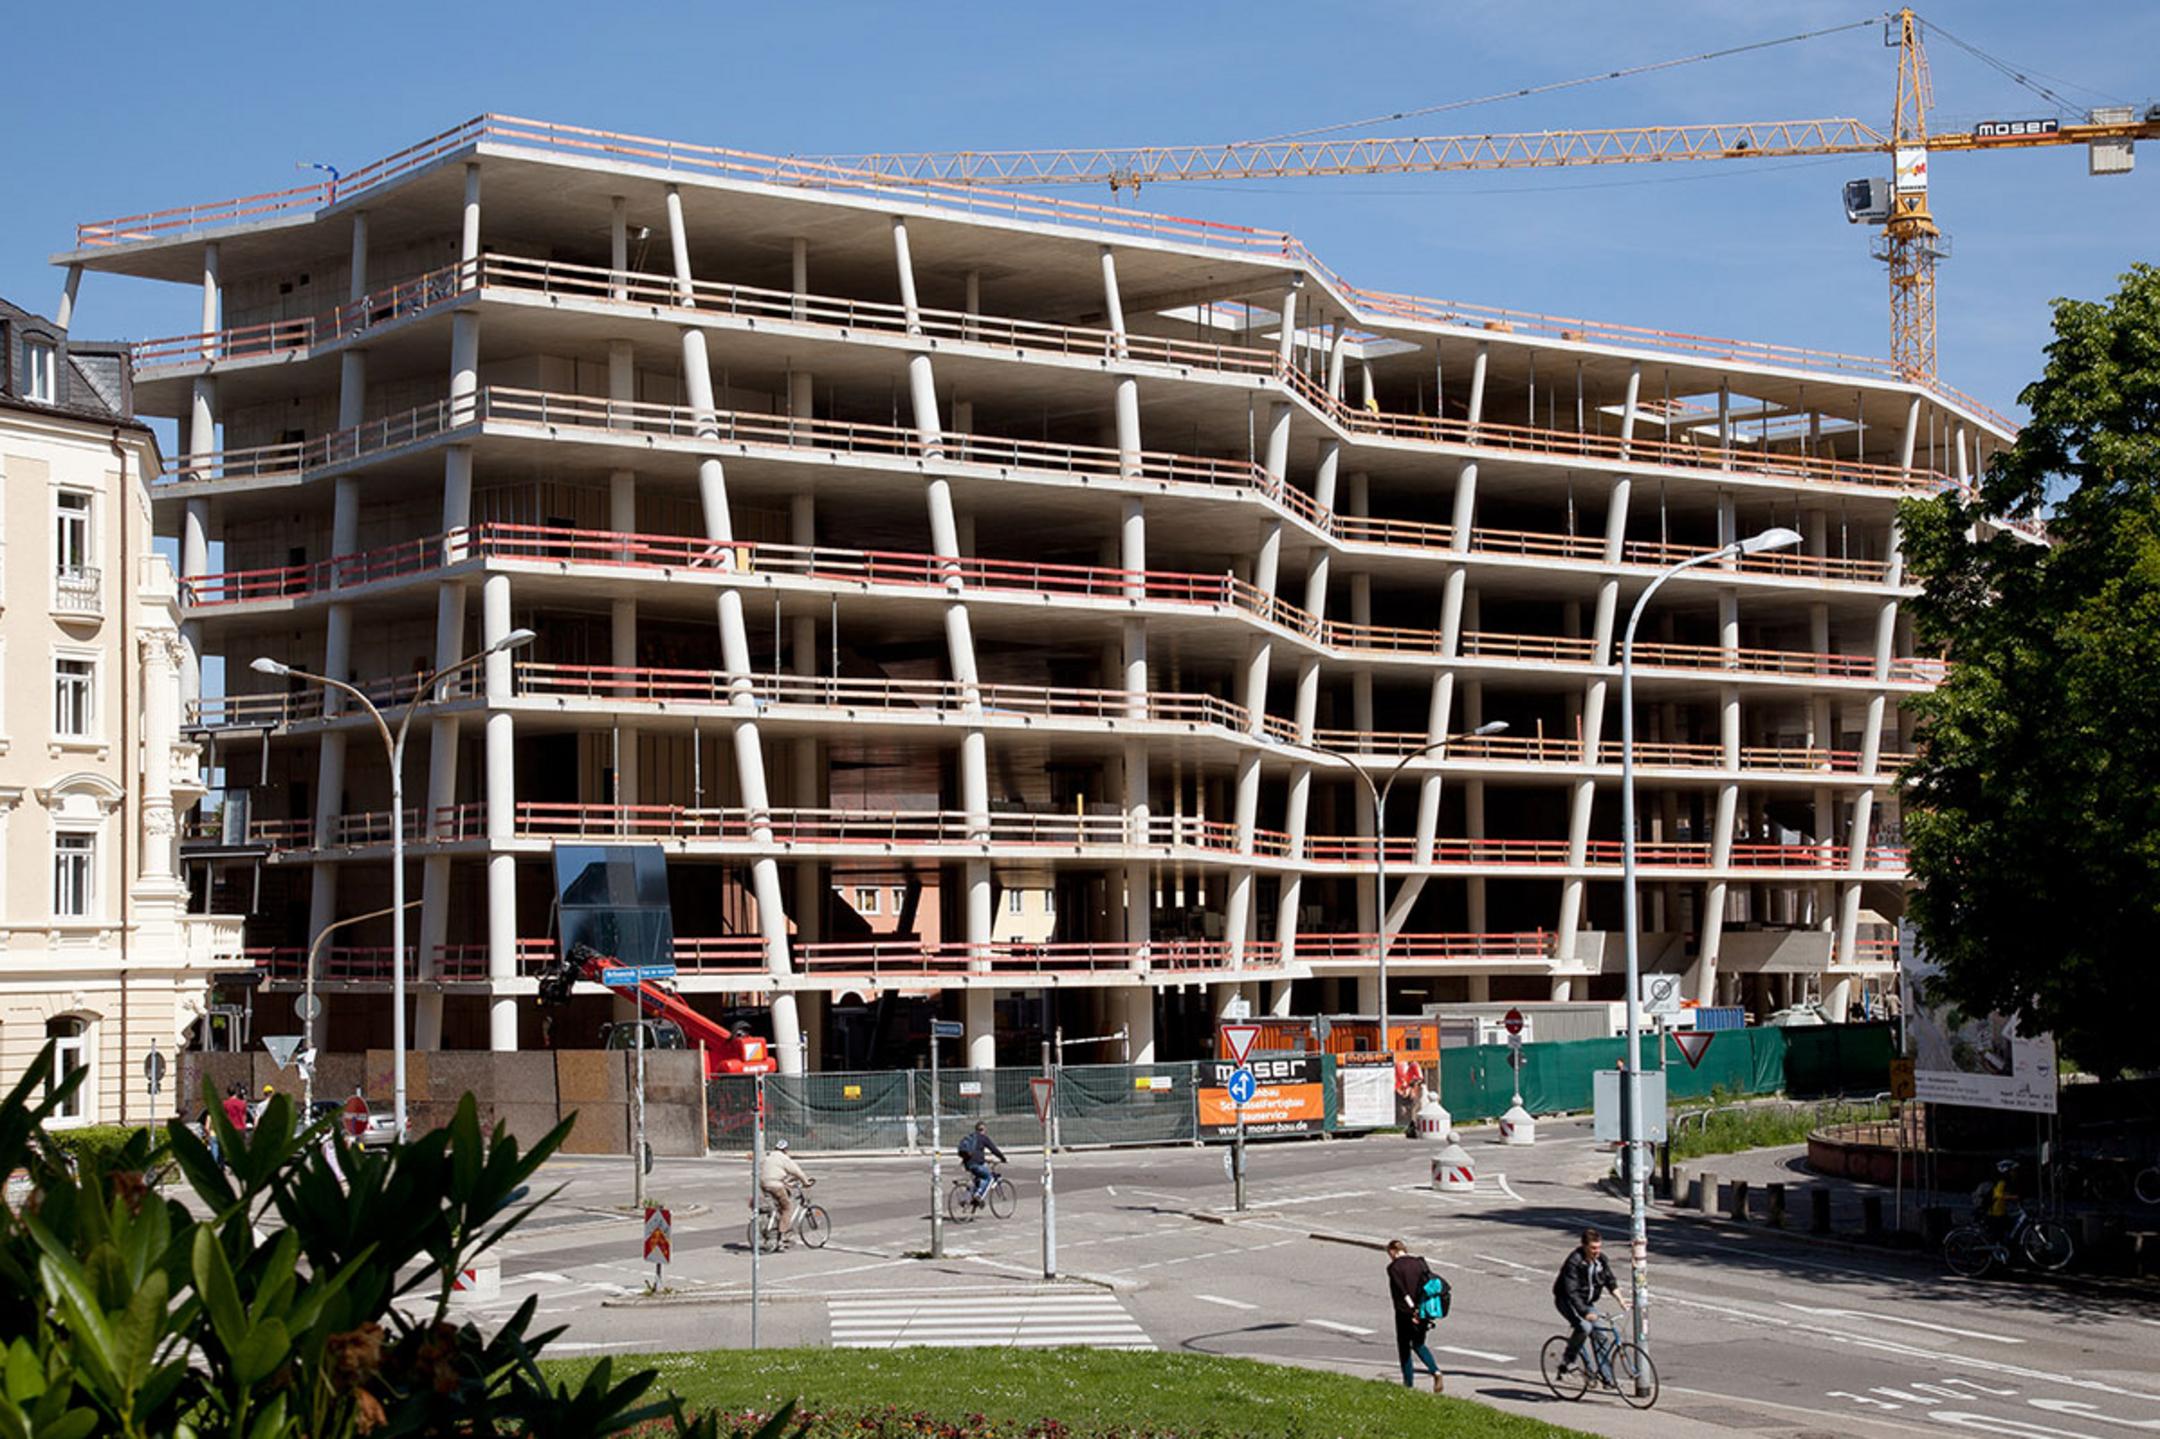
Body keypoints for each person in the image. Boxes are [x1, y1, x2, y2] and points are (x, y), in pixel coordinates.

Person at [1552, 1227, 1628, 1386]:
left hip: (1586, 1302)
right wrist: (1585, 1312)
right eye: (1593, 1248)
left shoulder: (1601, 1260)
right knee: (1585, 1328)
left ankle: (1607, 1378)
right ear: (1584, 1246)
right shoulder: (1574, 1261)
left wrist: (1620, 1300)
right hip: (1566, 1300)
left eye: (1599, 1247)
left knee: (1600, 1334)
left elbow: (1610, 1280)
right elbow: (1571, 1292)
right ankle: (1569, 1359)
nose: (1597, 1251)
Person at [1384, 1239, 1445, 1393]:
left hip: (1405, 1312)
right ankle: (1435, 1371)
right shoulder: (1419, 1263)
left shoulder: (1393, 1268)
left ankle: (1408, 1385)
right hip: (1425, 1309)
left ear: (1392, 1251)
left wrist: (1413, 1310)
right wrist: (1420, 1309)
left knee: (1404, 1347)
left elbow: (1402, 1290)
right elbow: (1427, 1284)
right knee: (1418, 1343)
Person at [759, 1139, 814, 1249]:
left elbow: (772, 1172)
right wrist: (806, 1182)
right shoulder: (784, 1158)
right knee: (787, 1208)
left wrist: (786, 1182)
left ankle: (776, 1221)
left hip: (764, 1184)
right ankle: (782, 1237)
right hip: (775, 1185)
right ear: (785, 1149)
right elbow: (796, 1171)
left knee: (781, 1201)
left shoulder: (769, 1157)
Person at [958, 1121, 1006, 1207]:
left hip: (968, 1165)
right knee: (988, 1177)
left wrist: (986, 1160)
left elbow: (976, 1153)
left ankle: (966, 1198)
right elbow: (994, 1149)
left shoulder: (971, 1137)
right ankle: (978, 1195)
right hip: (976, 1164)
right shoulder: (983, 1138)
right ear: (983, 1130)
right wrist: (1003, 1158)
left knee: (977, 1180)